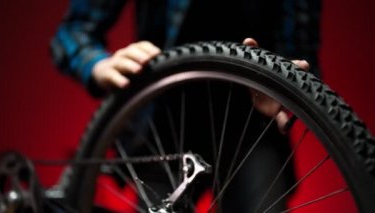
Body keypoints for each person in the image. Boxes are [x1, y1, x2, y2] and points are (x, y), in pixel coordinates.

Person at [50, 0, 321, 212]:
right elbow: (73, 32)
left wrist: (290, 82)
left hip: (253, 119)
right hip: (163, 122)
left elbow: (301, 50)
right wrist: (99, 65)